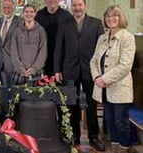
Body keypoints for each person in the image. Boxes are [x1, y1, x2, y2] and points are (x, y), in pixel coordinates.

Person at [53, 0, 105, 151]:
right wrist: (57, 69)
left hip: (91, 70)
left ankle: (94, 137)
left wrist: (101, 71)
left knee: (91, 104)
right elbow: (58, 48)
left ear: (85, 6)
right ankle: (74, 135)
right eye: (74, 5)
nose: (77, 8)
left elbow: (102, 50)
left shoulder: (96, 23)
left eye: (79, 5)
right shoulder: (64, 23)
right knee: (71, 104)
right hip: (69, 69)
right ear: (71, 7)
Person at [90, 5, 136, 153]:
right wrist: (96, 77)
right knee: (109, 121)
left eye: (115, 15)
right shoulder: (102, 38)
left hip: (119, 88)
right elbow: (94, 61)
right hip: (104, 89)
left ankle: (123, 149)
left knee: (120, 122)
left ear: (120, 17)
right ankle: (114, 148)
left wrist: (104, 79)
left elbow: (125, 65)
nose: (111, 18)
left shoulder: (127, 37)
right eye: (108, 16)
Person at [10, 4, 47, 85]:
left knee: (35, 97)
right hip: (19, 73)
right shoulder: (16, 30)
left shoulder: (41, 31)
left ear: (35, 13)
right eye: (26, 12)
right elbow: (13, 52)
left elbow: (43, 52)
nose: (29, 14)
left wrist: (34, 69)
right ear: (23, 13)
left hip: (36, 74)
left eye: (31, 12)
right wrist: (21, 70)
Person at [35, 0, 71, 77]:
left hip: (62, 59)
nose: (52, 1)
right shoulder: (38, 15)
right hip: (43, 58)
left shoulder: (67, 16)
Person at [0, 0, 21, 86]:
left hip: (13, 63)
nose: (6, 10)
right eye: (4, 7)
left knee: (13, 91)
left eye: (9, 7)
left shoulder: (20, 22)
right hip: (0, 62)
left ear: (14, 7)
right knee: (2, 91)